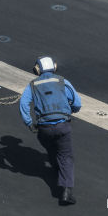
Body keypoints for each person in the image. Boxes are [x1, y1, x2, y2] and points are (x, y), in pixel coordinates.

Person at [19, 56, 82, 206]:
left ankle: (55, 164)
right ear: (54, 67)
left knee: (50, 145)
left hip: (44, 129)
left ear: (37, 69)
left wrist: (29, 123)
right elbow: (77, 103)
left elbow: (23, 104)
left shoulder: (32, 85)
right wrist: (70, 111)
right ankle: (66, 191)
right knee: (66, 156)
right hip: (62, 126)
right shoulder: (62, 81)